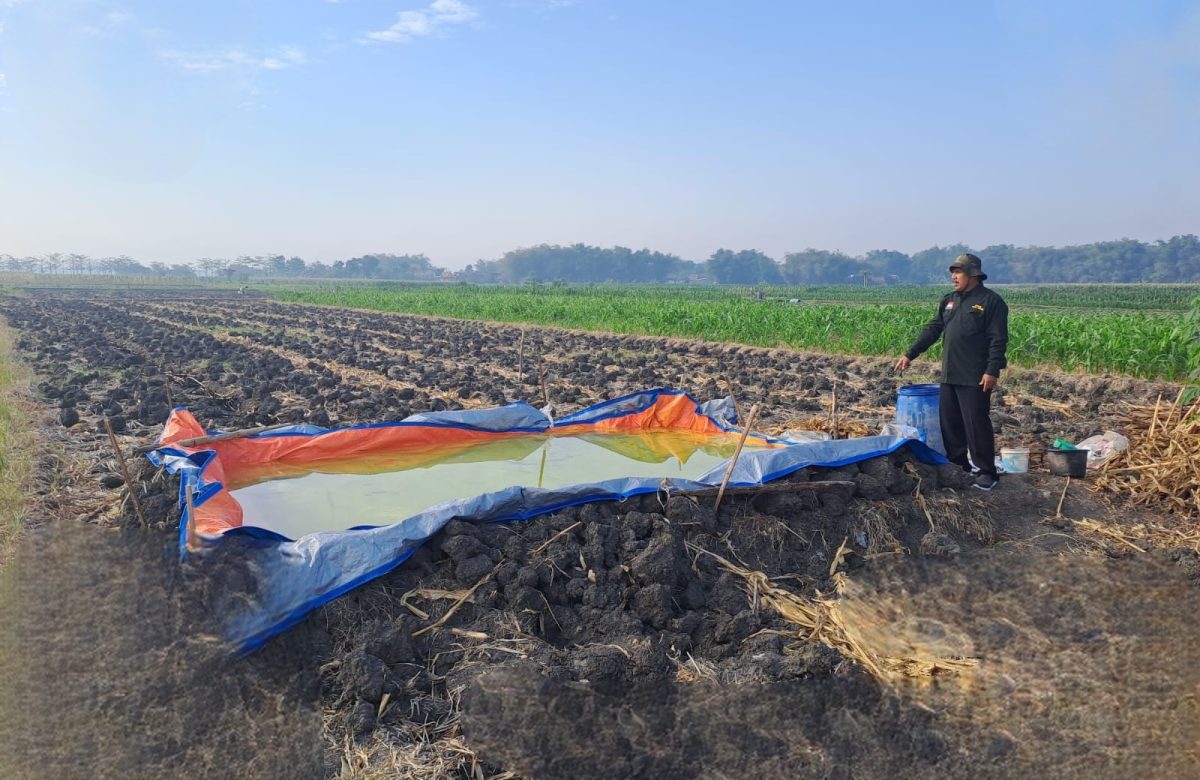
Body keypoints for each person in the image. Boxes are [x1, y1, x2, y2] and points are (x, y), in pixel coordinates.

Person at [895, 253, 1009, 491]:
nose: (953, 277)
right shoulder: (949, 301)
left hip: (975, 376)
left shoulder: (990, 301)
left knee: (976, 424)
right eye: (953, 273)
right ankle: (958, 466)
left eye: (958, 273)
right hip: (949, 374)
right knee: (950, 424)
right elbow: (933, 329)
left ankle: (987, 472)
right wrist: (910, 354)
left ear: (972, 275)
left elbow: (998, 339)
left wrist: (992, 370)